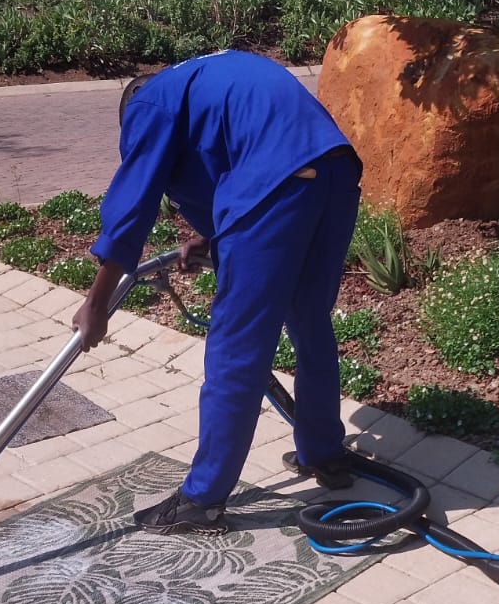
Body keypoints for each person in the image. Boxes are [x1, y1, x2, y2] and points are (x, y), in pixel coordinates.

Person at [73, 50, 362, 534]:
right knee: (310, 321)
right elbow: (228, 164)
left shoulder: (150, 103)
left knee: (236, 346)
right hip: (334, 171)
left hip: (280, 181)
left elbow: (132, 207)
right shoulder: (208, 78)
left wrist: (97, 304)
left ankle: (202, 499)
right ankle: (324, 453)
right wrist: (211, 238)